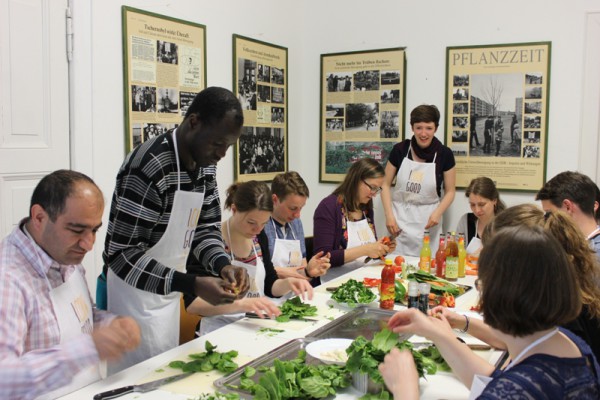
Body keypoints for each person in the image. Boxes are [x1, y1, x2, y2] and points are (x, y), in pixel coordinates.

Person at [102, 87, 250, 373]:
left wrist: (222, 264)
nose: (222, 154)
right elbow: (122, 253)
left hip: (169, 294)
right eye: (218, 143)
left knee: (164, 372)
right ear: (193, 122)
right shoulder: (149, 166)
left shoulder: (206, 164)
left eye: (229, 146)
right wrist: (192, 283)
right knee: (135, 383)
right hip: (134, 298)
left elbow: (205, 227)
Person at [380, 225, 600, 399]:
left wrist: (405, 389)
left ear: (502, 295)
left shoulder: (520, 389)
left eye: (481, 285)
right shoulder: (568, 343)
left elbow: (505, 388)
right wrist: (437, 332)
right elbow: (497, 381)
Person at [0, 170, 141, 399]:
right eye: (76, 230)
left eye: (94, 230)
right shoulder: (8, 280)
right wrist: (86, 350)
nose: (88, 244)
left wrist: (113, 325)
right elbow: (3, 381)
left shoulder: (65, 256)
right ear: (39, 218)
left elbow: (82, 317)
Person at [438, 204, 600, 361]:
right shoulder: (555, 293)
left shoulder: (561, 316)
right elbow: (514, 338)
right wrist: (462, 322)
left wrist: (446, 340)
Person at [185, 181, 313, 335]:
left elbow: (269, 285)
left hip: (253, 326)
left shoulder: (259, 238)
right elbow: (192, 304)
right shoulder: (209, 243)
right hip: (218, 331)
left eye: (264, 223)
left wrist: (288, 284)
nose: (257, 230)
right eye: (251, 222)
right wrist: (241, 304)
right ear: (234, 210)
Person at [381, 104, 456, 256]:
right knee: (394, 266)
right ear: (412, 127)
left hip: (428, 220)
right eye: (418, 128)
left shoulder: (445, 154)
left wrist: (438, 213)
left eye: (428, 128)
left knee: (427, 268)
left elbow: (450, 191)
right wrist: (389, 215)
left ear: (436, 128)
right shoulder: (400, 150)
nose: (423, 133)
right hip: (398, 219)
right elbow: (385, 184)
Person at [313, 158, 394, 282]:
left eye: (377, 189)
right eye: (372, 187)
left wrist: (381, 248)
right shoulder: (328, 207)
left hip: (364, 278)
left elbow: (370, 254)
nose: (374, 194)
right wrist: (366, 249)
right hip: (335, 283)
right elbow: (323, 258)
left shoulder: (365, 207)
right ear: (356, 180)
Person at [259, 172, 331, 284]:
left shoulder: (296, 223)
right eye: (293, 208)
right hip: (268, 296)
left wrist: (309, 271)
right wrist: (287, 272)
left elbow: (302, 270)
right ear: (274, 199)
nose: (297, 215)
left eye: (301, 208)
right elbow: (259, 271)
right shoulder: (260, 225)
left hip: (295, 293)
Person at [535, 171, 600, 257]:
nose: (547, 220)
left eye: (549, 213)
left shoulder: (594, 254)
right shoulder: (569, 244)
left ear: (568, 207)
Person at [455, 177, 505, 255]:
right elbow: (457, 252)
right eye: (472, 205)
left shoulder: (505, 224)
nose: (477, 210)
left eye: (482, 204)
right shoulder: (466, 221)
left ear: (494, 201)